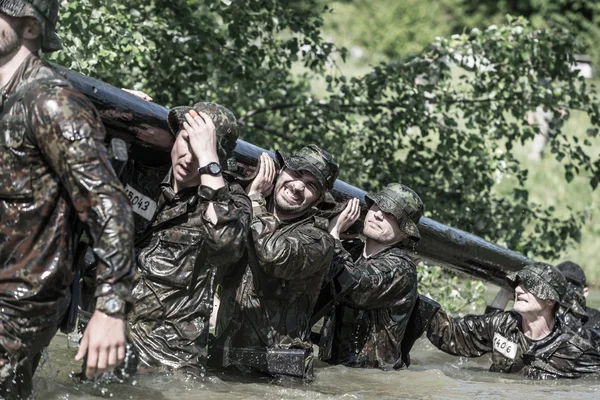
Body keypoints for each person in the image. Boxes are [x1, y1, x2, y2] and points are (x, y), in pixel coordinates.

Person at [0, 1, 135, 397]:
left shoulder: (52, 102)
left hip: (18, 305)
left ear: (29, 29)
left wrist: (110, 307)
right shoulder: (8, 99)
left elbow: (110, 205)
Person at [127, 103, 251, 378]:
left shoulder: (231, 201)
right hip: (107, 340)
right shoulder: (141, 173)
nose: (189, 158)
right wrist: (125, 110)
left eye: (201, 151)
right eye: (186, 142)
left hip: (168, 362)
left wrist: (209, 161)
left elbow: (227, 245)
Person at [213, 145, 339, 374]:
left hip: (278, 375)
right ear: (279, 171)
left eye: (311, 185)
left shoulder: (319, 240)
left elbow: (274, 255)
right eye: (297, 173)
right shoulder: (245, 212)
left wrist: (255, 199)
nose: (298, 186)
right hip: (227, 361)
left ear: (318, 200)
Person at [427, 262, 600, 379]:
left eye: (528, 286)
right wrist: (410, 293)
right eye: (518, 283)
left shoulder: (577, 352)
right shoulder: (501, 324)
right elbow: (449, 333)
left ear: (550, 300)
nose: (517, 289)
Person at [319, 183, 424, 370]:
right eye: (377, 206)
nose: (378, 214)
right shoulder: (352, 252)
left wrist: (333, 236)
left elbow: (354, 287)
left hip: (370, 380)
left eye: (391, 215)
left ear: (405, 232)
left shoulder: (401, 268)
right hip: (336, 370)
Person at [557, 261, 600, 333]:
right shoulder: (543, 314)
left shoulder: (596, 319)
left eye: (573, 285)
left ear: (585, 292)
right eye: (562, 282)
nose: (567, 289)